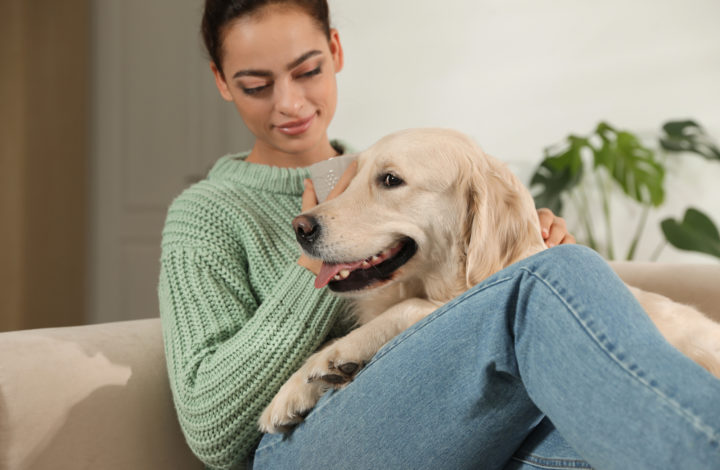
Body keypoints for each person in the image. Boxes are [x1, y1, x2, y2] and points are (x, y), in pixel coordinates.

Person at [158, 1, 720, 469]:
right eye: (256, 84)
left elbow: (467, 301)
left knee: (596, 444)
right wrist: (311, 274)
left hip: (453, 424)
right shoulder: (206, 215)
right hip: (305, 447)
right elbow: (213, 430)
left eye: (306, 71)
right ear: (221, 82)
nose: (289, 102)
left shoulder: (382, 162)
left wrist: (520, 238)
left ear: (336, 51)